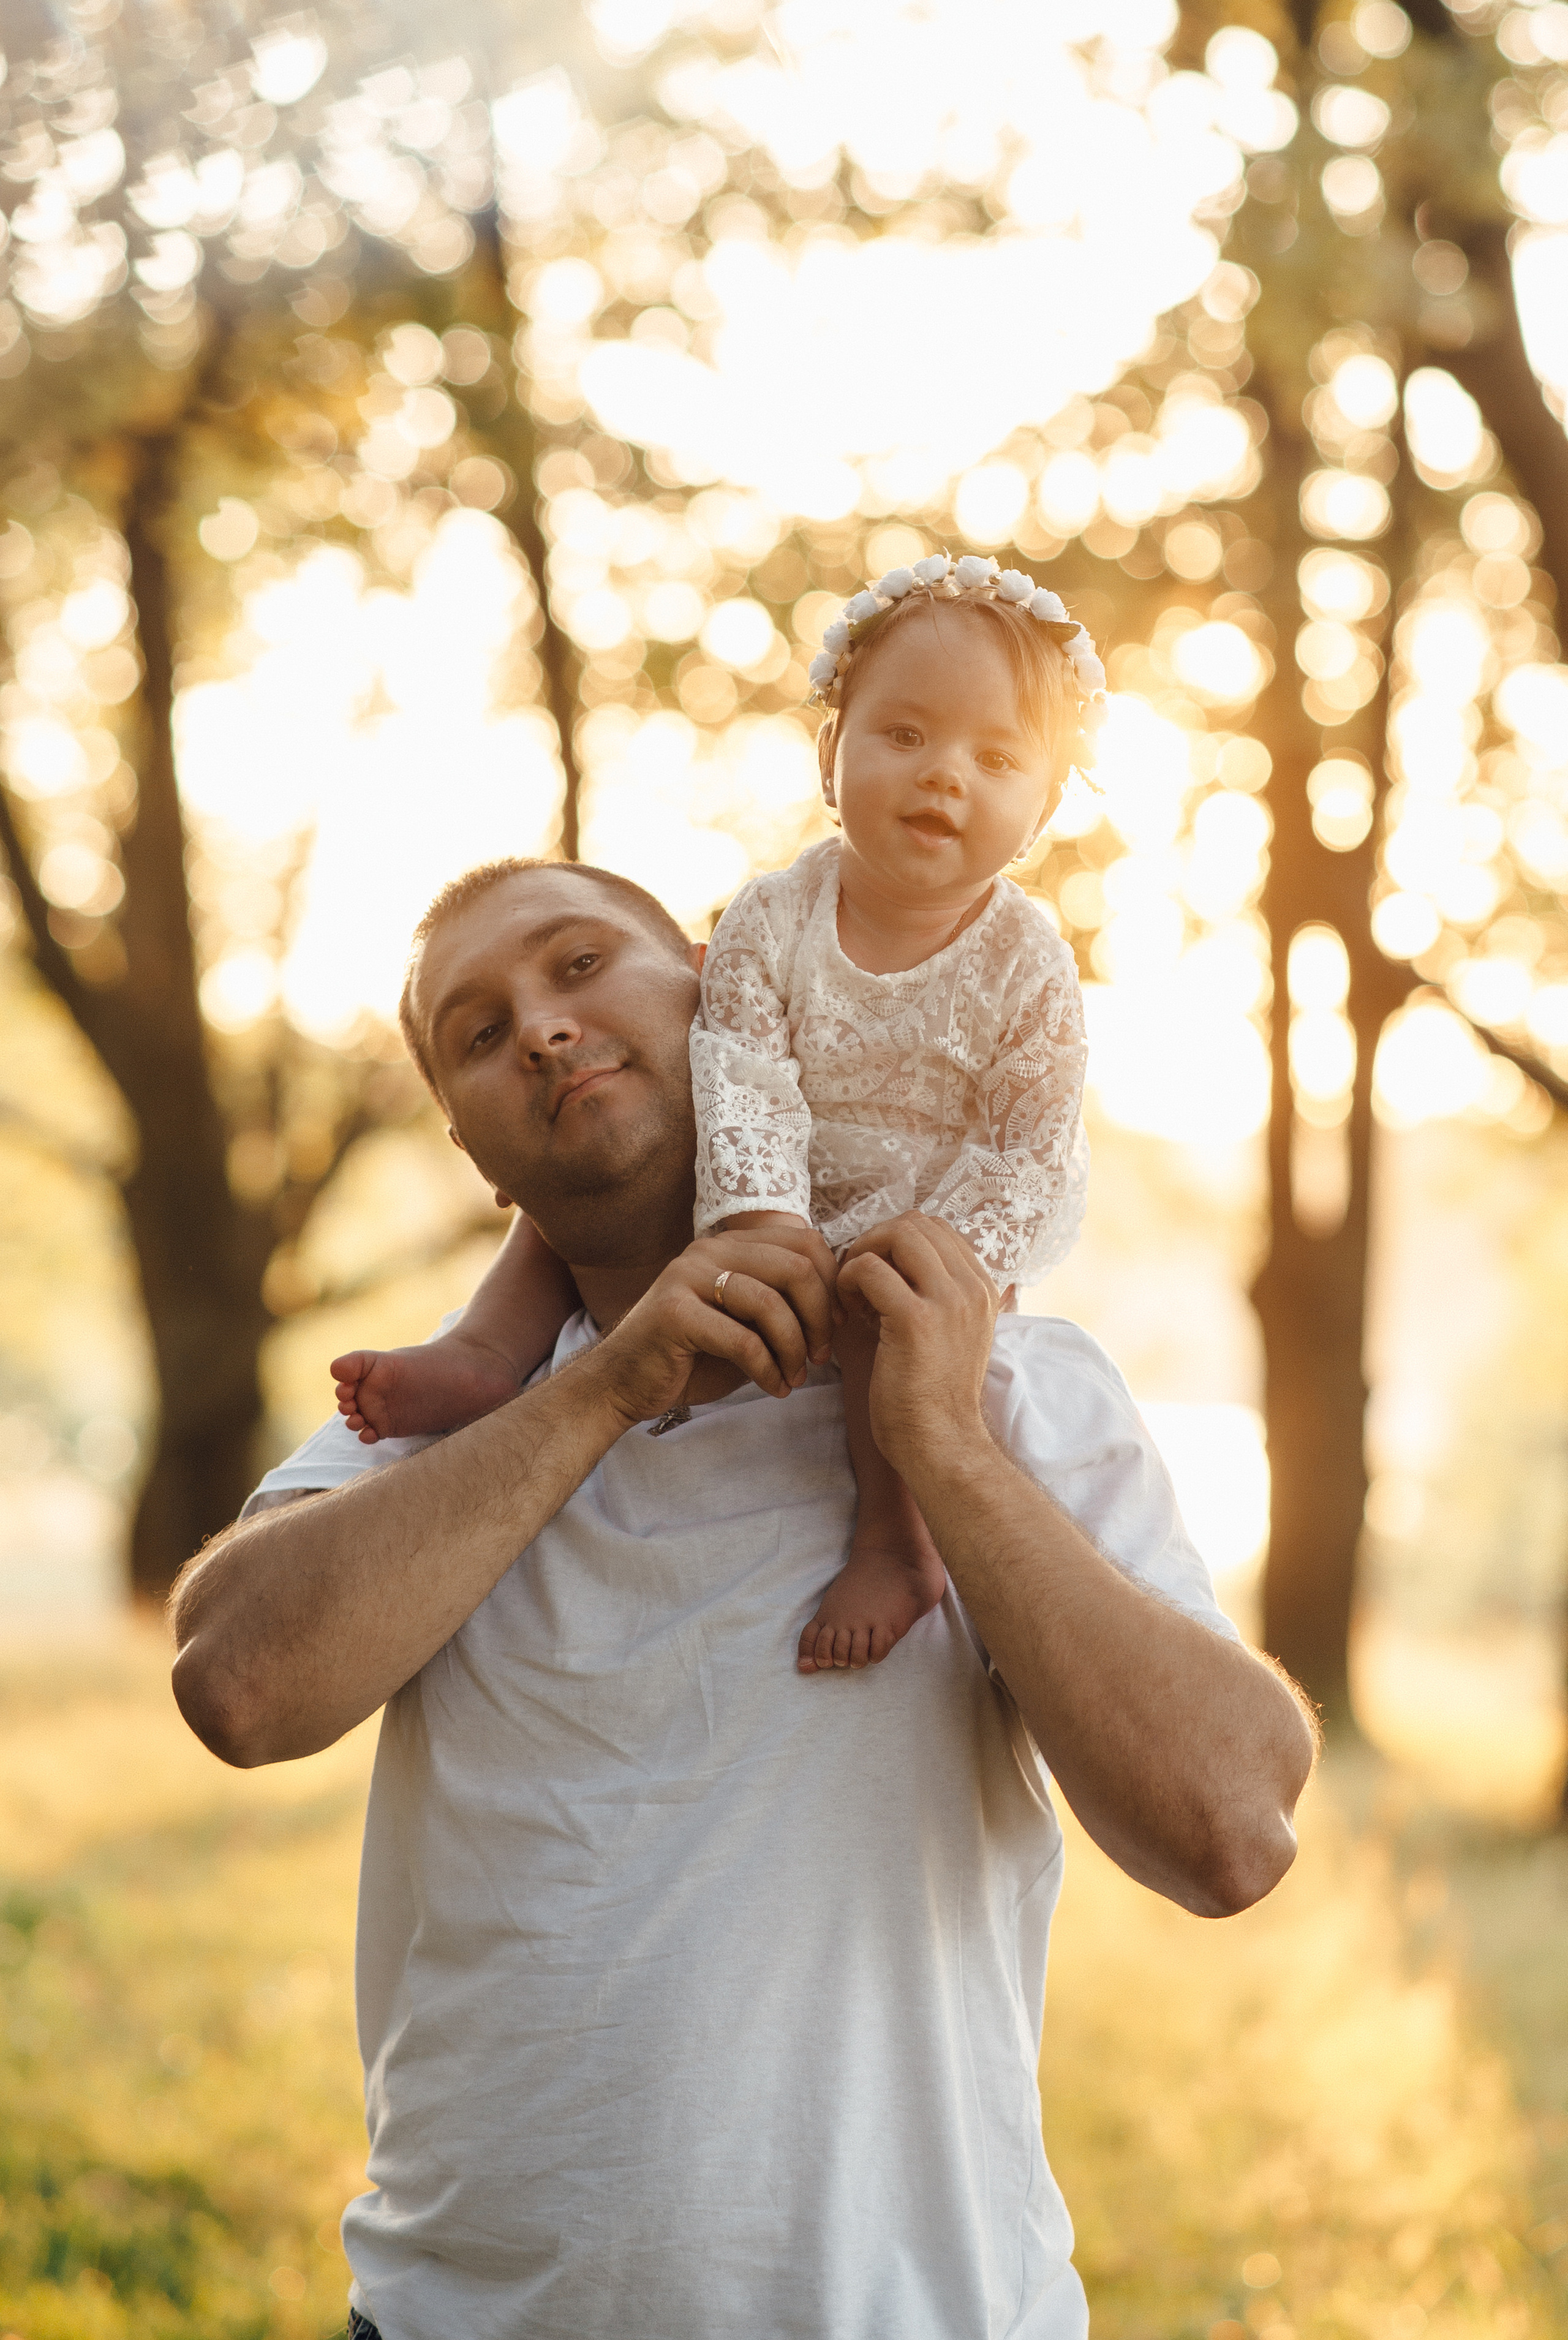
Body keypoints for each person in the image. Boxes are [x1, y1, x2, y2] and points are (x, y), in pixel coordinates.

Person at [171, 853, 1316, 2340]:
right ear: (475, 1154)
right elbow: (239, 1686)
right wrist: (610, 1384)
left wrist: (941, 1453)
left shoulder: (1008, 1387)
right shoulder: (446, 1429)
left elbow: (1230, 1830)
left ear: (724, 986)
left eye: (580, 966)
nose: (540, 1027)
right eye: (479, 1029)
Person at [330, 555, 1106, 1675]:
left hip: (938, 1220)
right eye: (904, 736)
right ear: (831, 755)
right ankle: (488, 1356)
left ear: (1044, 803)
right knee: (606, 1195)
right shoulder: (771, 917)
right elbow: (740, 1071)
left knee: (887, 1324)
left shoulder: (1028, 962)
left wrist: (956, 1253)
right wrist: (755, 1213)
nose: (945, 776)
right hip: (777, 1189)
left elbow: (1029, 1139)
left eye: (995, 757)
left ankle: (897, 1542)